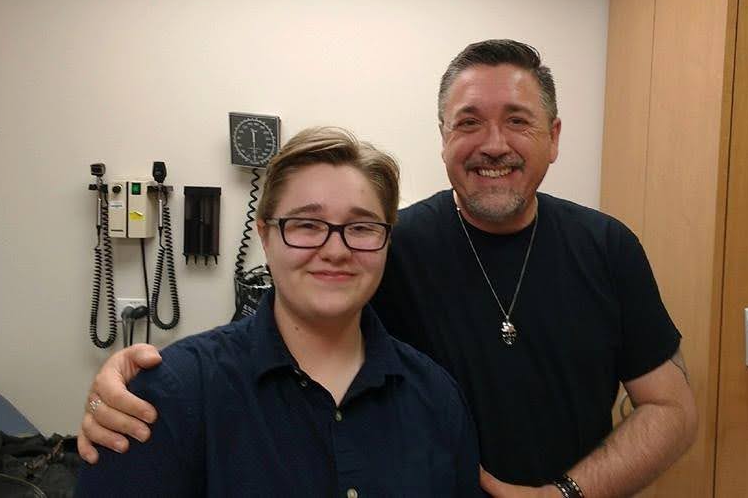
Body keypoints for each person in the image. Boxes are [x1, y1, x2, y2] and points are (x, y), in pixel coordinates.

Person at [79, 40, 697, 497]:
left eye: (518, 120)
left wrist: (563, 495)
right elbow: (275, 340)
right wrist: (139, 379)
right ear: (443, 137)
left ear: (554, 136)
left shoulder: (608, 249)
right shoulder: (391, 246)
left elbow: (672, 411)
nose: (493, 144)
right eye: (469, 122)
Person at [75, 127, 482, 496]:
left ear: (387, 241)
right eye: (307, 225)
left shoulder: (435, 397)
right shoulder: (172, 395)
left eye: (361, 227)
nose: (336, 250)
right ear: (266, 236)